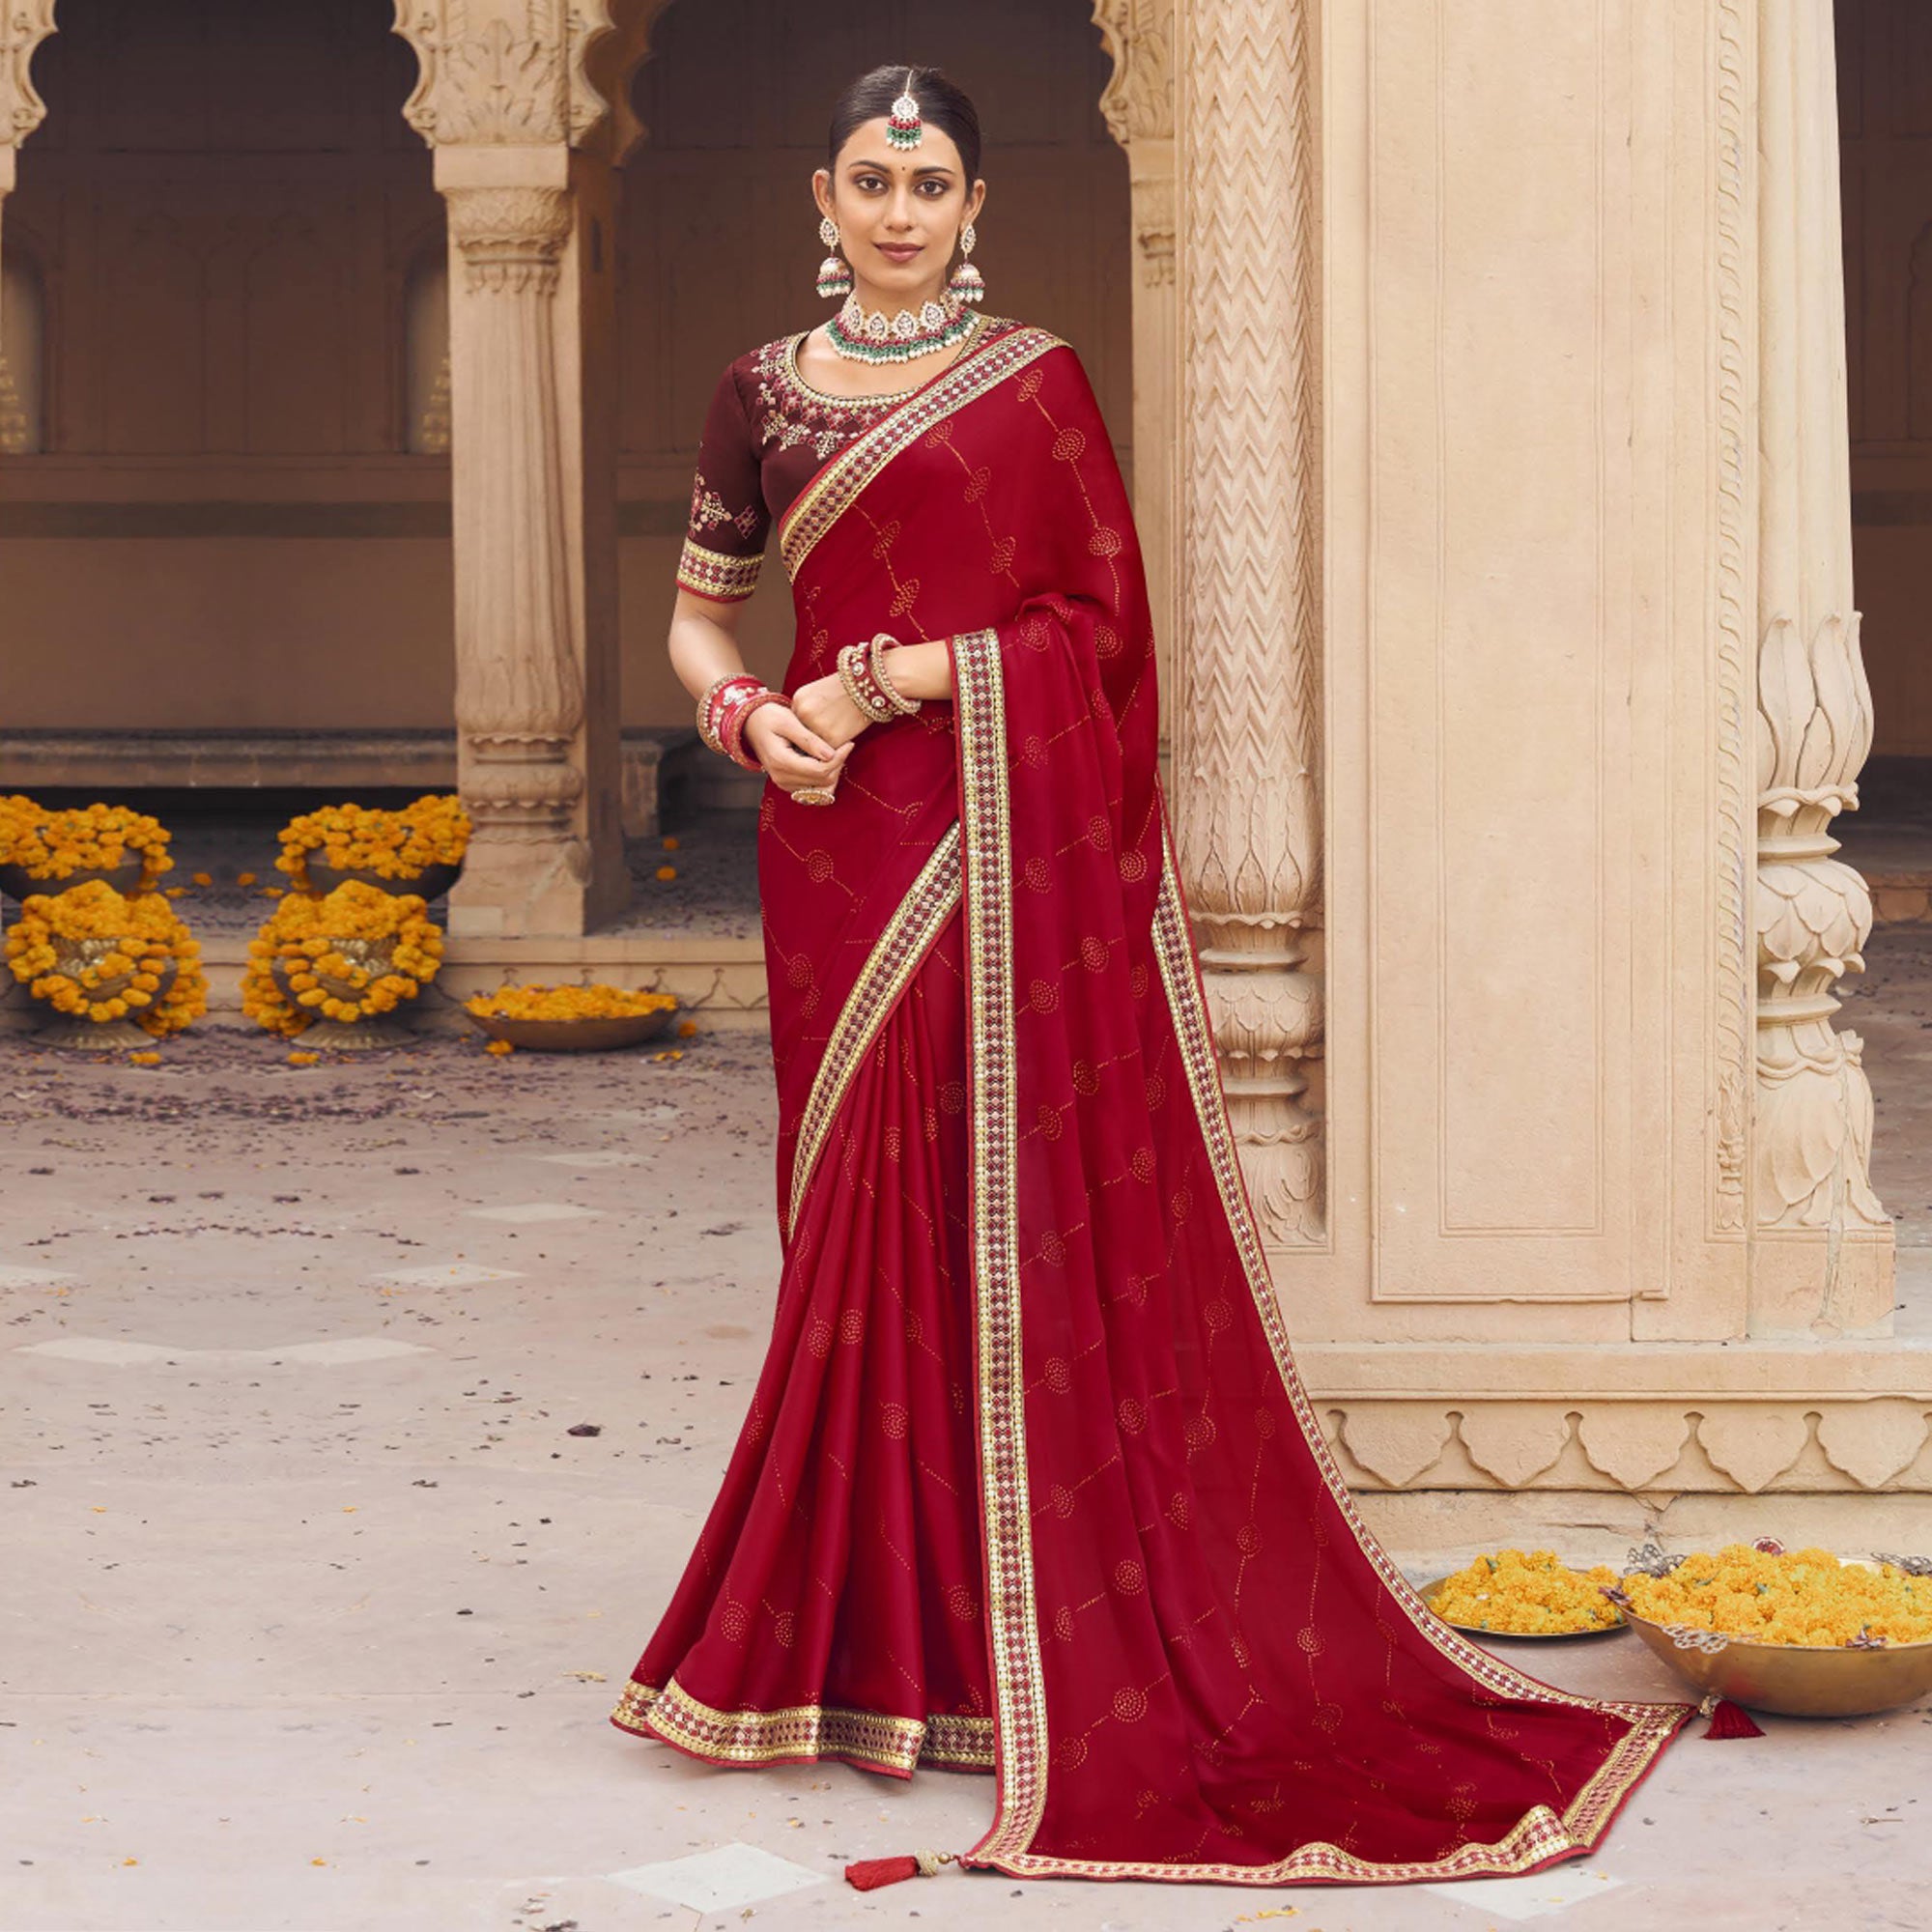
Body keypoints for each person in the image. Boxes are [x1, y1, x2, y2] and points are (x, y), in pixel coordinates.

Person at [612, 61, 1694, 1889]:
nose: (896, 210)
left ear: (973, 205)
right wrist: (740, 715)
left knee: (994, 1214)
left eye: (929, 181)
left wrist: (892, 680)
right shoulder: (760, 398)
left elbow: (1098, 638)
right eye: (870, 178)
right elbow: (701, 607)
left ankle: (1003, 1638)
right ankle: (866, 1644)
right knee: (854, 1234)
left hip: (988, 839)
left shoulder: (1031, 386)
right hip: (835, 857)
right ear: (822, 195)